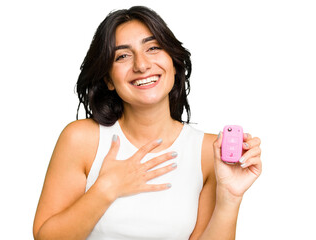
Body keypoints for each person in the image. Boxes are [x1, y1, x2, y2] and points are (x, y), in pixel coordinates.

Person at [33, 6, 262, 240]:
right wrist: (106, 188)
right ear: (108, 79)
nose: (141, 65)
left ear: (173, 63)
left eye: (153, 48)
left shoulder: (209, 151)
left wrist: (230, 199)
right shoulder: (81, 139)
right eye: (122, 56)